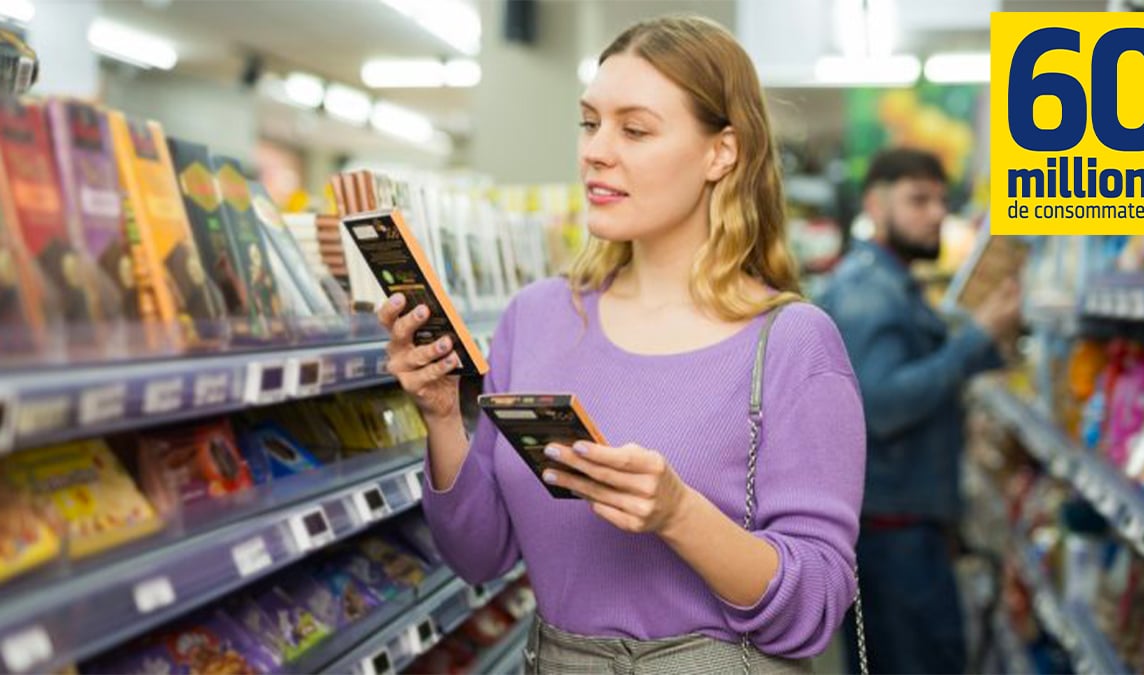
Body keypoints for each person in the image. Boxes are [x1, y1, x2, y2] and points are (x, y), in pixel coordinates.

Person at [378, 15, 866, 674]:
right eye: (590, 123)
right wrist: (441, 416)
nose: (596, 150)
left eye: (634, 129)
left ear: (722, 152)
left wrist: (678, 513)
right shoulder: (537, 317)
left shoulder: (791, 341)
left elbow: (818, 603)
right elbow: (481, 555)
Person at [817, 148, 1022, 674]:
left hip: (897, 530)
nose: (935, 214)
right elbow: (882, 405)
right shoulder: (871, 292)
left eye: (939, 200)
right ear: (874, 204)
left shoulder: (887, 281)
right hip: (894, 539)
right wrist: (974, 340)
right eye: (917, 200)